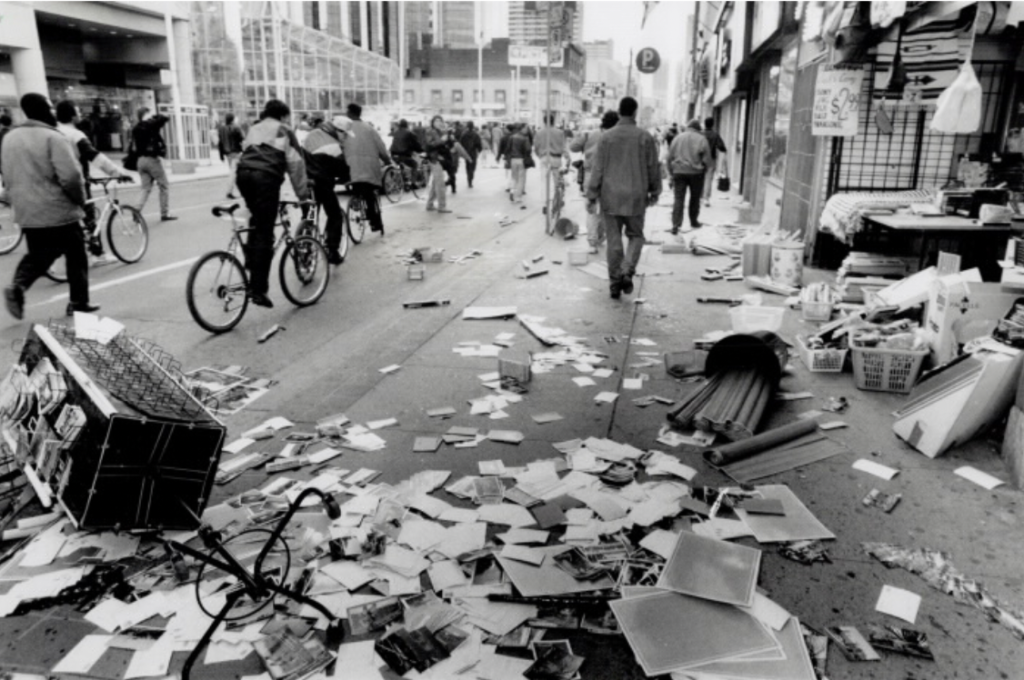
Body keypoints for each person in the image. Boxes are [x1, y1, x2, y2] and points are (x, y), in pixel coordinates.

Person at [2, 93, 96, 319]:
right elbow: (71, 177)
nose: (53, 112)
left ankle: (18, 285)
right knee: (76, 255)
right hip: (57, 209)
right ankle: (78, 302)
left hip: (26, 211)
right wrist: (80, 201)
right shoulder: (53, 138)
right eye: (50, 108)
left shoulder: (10, 138)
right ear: (43, 110)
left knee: (39, 254)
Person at [236, 99, 310, 308]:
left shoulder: (254, 128)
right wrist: (302, 197)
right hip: (265, 178)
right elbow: (296, 165)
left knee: (257, 220)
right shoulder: (284, 129)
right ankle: (258, 289)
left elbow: (246, 155)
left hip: (243, 176)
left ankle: (251, 263)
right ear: (284, 115)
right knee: (265, 233)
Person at [586, 97, 661, 300]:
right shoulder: (645, 137)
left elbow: (598, 169)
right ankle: (627, 270)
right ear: (635, 112)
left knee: (614, 239)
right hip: (636, 195)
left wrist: (591, 194)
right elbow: (653, 167)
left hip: (610, 195)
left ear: (619, 112)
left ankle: (614, 283)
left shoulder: (607, 137)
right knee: (636, 235)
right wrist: (655, 191)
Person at [55, 101, 132, 257]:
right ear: (72, 116)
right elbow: (94, 157)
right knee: (89, 217)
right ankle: (98, 254)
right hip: (76, 182)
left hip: (54, 184)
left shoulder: (51, 131)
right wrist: (117, 173)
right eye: (77, 112)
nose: (79, 115)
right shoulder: (75, 135)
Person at [570, 110, 619, 254]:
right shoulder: (617, 137)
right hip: (610, 175)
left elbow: (573, 147)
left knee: (591, 208)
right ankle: (600, 237)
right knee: (607, 209)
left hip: (591, 174)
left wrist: (581, 135)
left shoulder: (589, 134)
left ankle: (592, 243)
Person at [303, 118, 349, 264]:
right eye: (345, 134)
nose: (345, 138)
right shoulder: (335, 147)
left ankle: (304, 246)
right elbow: (343, 171)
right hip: (322, 184)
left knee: (308, 217)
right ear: (339, 131)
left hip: (305, 182)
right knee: (335, 215)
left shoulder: (311, 134)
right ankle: (332, 251)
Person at [343, 103, 391, 234]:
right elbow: (381, 148)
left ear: (350, 113)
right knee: (370, 193)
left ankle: (356, 201)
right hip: (370, 168)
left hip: (350, 167)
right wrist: (387, 161)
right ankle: (375, 222)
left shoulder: (344, 129)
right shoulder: (370, 129)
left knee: (356, 184)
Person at [132, 108, 176, 221]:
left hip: (140, 161)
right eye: (150, 114)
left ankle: (136, 210)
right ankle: (164, 213)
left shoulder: (136, 128)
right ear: (146, 115)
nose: (152, 116)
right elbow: (165, 118)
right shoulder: (151, 126)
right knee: (164, 185)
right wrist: (155, 117)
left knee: (145, 188)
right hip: (152, 160)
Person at [668, 118, 711, 234]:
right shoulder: (702, 139)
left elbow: (669, 156)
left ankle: (675, 225)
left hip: (679, 172)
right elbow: (707, 159)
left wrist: (671, 174)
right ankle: (693, 221)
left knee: (678, 199)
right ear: (698, 129)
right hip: (696, 173)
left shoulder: (677, 138)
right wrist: (705, 169)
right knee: (695, 198)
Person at [534, 113, 570, 200]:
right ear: (553, 122)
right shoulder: (560, 132)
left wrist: (540, 156)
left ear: (544, 122)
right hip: (556, 158)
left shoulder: (539, 133)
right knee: (557, 181)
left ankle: (546, 202)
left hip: (544, 158)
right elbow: (564, 147)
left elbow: (536, 147)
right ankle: (557, 200)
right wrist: (567, 157)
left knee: (545, 181)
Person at [424, 115, 450, 213]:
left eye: (440, 121)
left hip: (438, 158)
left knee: (436, 182)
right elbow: (430, 145)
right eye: (436, 121)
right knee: (440, 183)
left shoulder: (439, 131)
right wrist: (442, 140)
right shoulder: (430, 131)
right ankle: (441, 206)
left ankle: (430, 204)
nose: (438, 123)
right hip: (434, 159)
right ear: (433, 122)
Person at [702, 117, 728, 206]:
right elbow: (722, 147)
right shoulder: (715, 135)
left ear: (704, 124)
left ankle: (700, 197)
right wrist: (724, 151)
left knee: (700, 178)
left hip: (700, 159)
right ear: (712, 124)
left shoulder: (700, 134)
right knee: (708, 179)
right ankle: (706, 199)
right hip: (711, 159)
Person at [218, 113, 245, 199]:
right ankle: (229, 192)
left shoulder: (221, 129)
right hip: (236, 153)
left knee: (234, 172)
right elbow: (242, 138)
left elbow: (220, 143)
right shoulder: (236, 128)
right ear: (233, 119)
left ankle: (238, 191)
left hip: (227, 154)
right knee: (235, 173)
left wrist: (221, 155)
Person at [458, 121, 483, 189]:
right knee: (473, 167)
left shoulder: (464, 134)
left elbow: (461, 143)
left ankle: (469, 180)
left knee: (467, 166)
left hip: (466, 153)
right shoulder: (476, 134)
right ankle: (471, 179)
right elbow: (479, 145)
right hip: (473, 153)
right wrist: (479, 150)